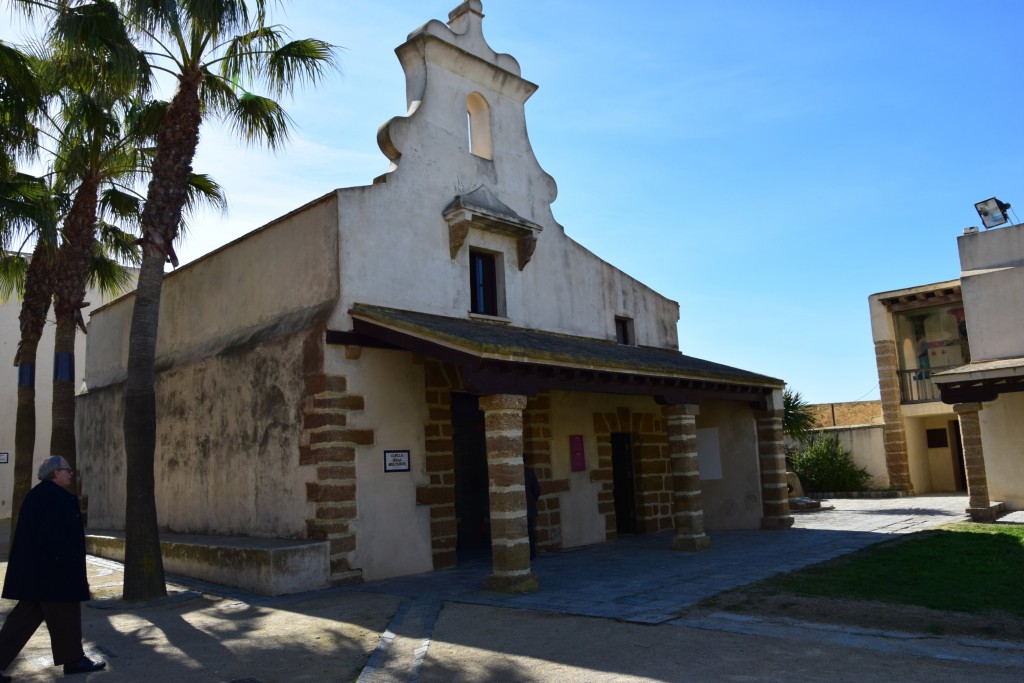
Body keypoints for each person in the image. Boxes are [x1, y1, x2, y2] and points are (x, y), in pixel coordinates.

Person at [0, 456, 106, 679]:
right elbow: (54, 537)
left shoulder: (40, 495)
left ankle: (73, 659)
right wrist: (69, 565)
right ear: (56, 473)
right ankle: (74, 660)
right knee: (64, 615)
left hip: (40, 575)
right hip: (54, 574)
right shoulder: (52, 498)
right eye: (67, 470)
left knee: (22, 621)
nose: (71, 474)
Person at [524, 465, 542, 560]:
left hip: (526, 506)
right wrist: (532, 500)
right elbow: (537, 489)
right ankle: (531, 553)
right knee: (529, 530)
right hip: (529, 506)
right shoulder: (528, 472)